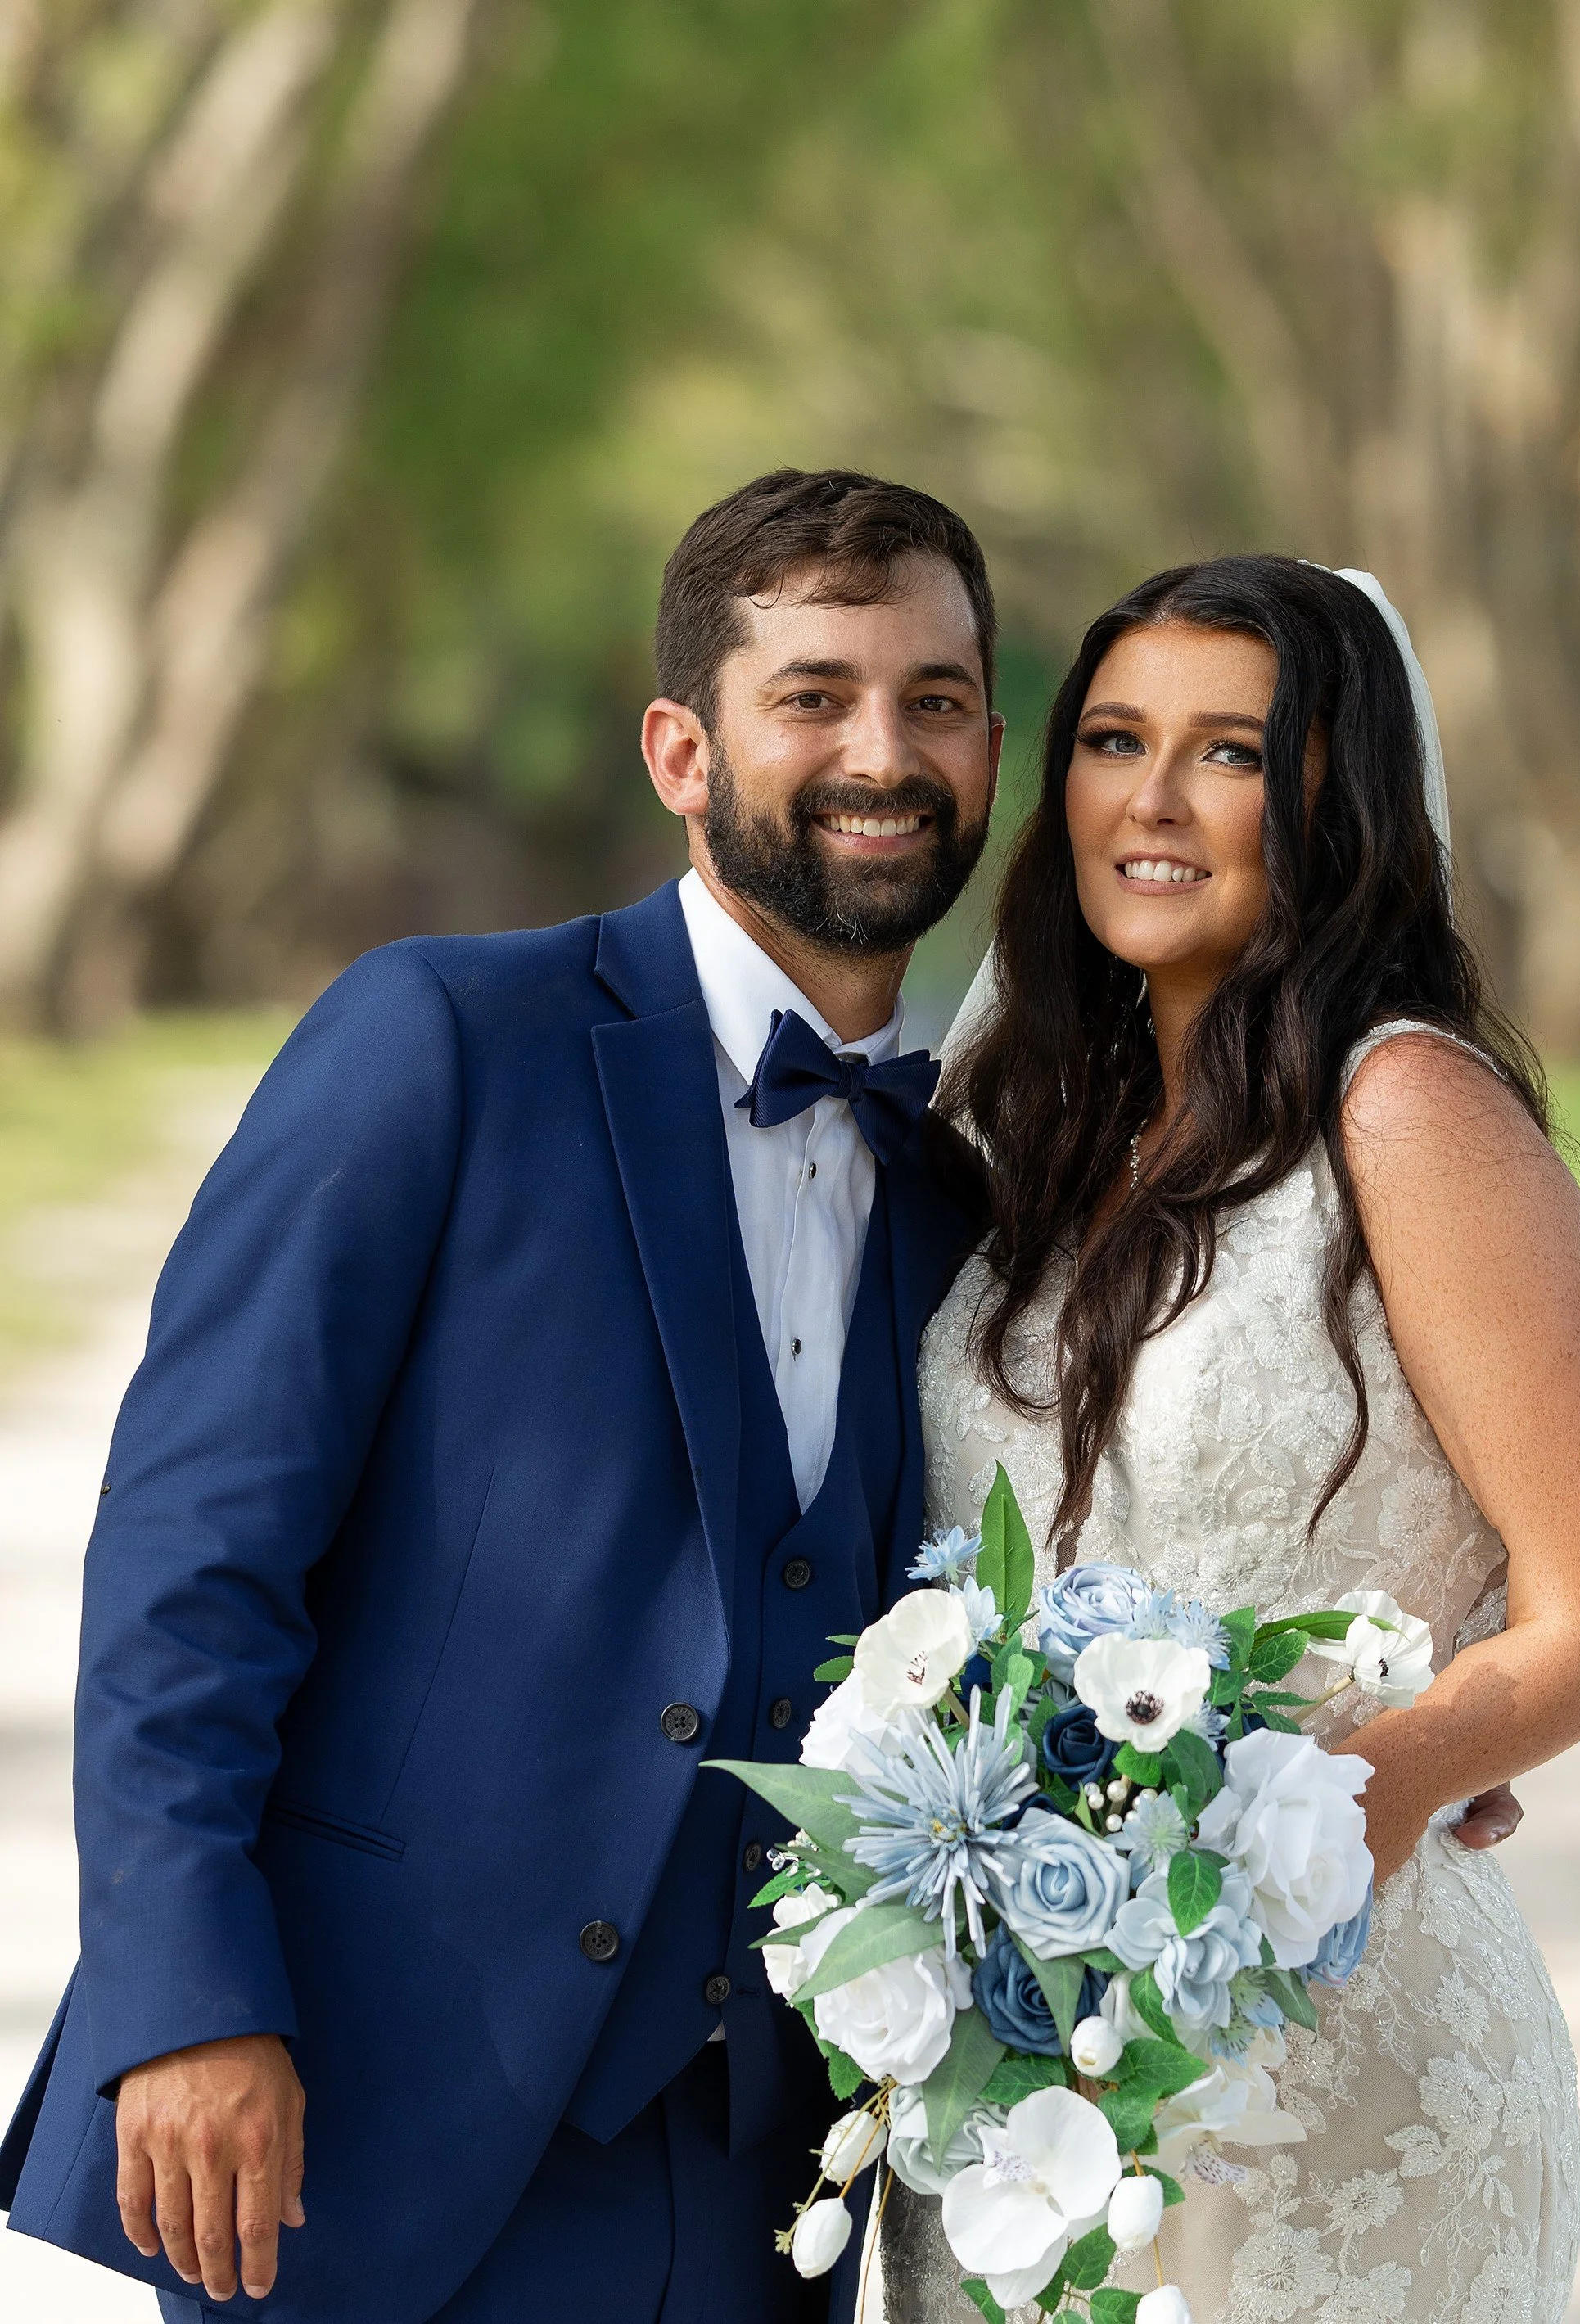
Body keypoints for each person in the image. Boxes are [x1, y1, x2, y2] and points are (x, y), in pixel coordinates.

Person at [0, 467, 1004, 2323]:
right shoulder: (442, 1038)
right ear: (681, 752)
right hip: (356, 2119)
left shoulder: (964, 1191)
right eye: (817, 695)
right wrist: (187, 1994)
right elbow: (191, 1553)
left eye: (936, 699)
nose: (886, 748)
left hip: (766, 2179)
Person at [888, 557, 1580, 2322]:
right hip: (1017, 2060)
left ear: (1337, 799)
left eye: (1230, 753)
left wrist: (1325, 1815)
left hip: (1325, 2045)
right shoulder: (1031, 1130)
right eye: (1112, 739)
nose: (1151, 802)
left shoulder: (1406, 1111)